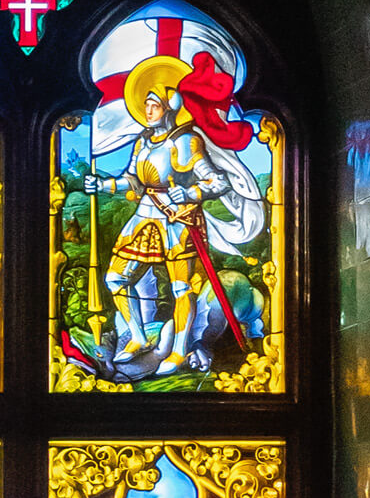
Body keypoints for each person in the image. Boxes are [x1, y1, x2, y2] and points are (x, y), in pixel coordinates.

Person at [84, 53, 266, 377]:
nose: (146, 110)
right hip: (144, 217)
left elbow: (217, 181)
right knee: (115, 278)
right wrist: (102, 184)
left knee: (183, 289)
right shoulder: (142, 142)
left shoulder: (185, 143)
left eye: (153, 103)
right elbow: (133, 182)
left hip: (178, 221)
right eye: (146, 104)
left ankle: (180, 350)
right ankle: (138, 336)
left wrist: (192, 193)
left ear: (171, 104)